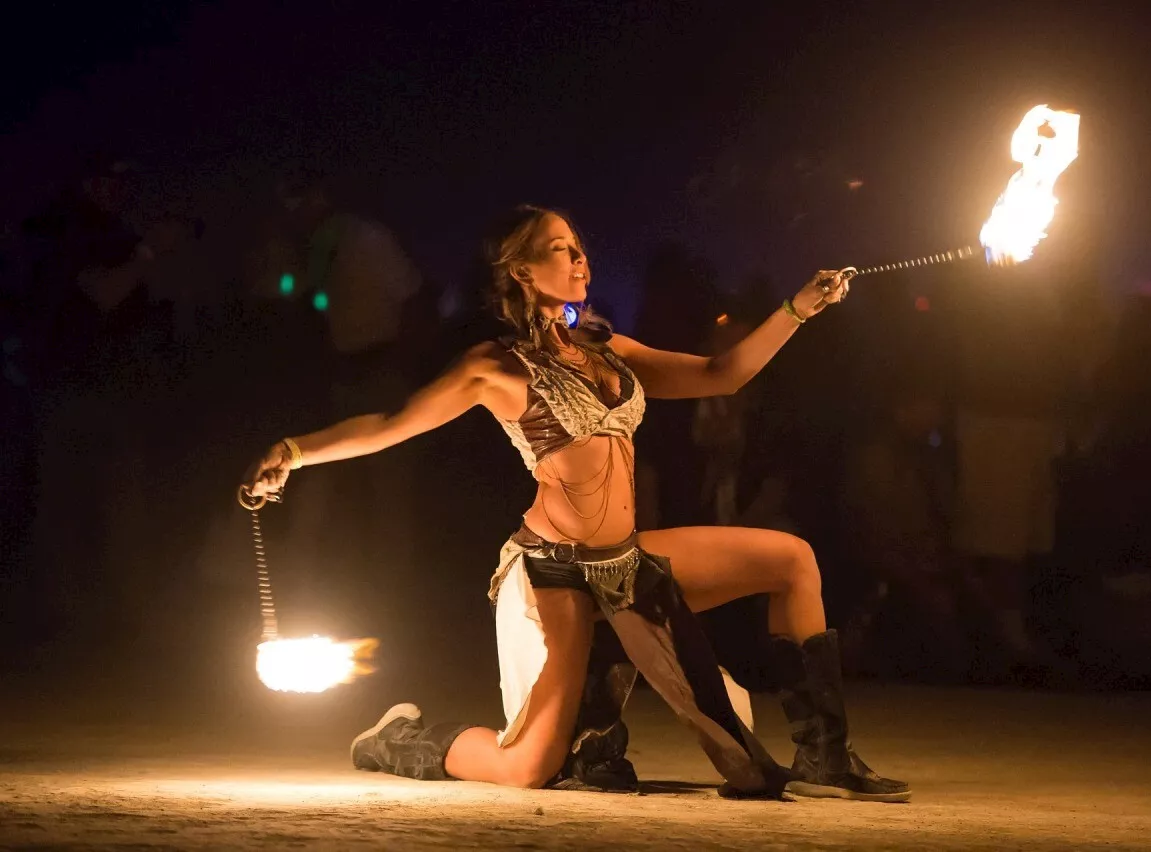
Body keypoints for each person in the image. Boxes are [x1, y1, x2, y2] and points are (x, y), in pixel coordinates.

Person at [241, 205, 909, 801]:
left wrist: (799, 308)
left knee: (791, 561)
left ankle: (824, 757)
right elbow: (391, 423)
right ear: (524, 273)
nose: (581, 258)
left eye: (580, 246)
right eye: (561, 249)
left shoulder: (605, 350)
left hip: (625, 562)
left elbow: (720, 375)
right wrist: (294, 451)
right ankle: (405, 739)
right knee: (529, 765)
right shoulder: (495, 367)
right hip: (553, 572)